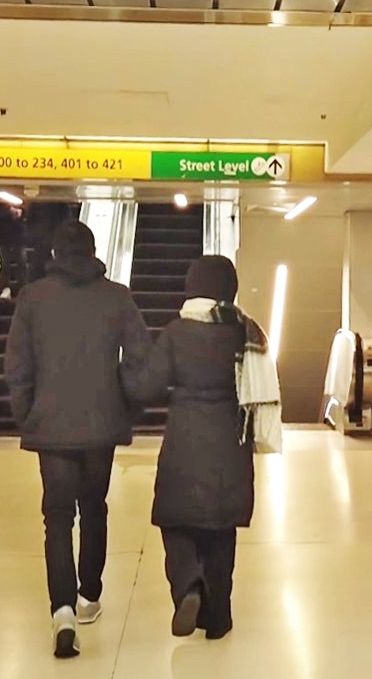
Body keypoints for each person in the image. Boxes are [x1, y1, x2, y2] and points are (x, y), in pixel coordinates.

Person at [4, 221, 151, 659]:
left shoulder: (33, 298)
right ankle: (89, 596)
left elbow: (17, 365)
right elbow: (141, 360)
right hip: (101, 424)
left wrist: (27, 415)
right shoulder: (117, 296)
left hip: (50, 425)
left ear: (54, 254)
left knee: (57, 516)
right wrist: (126, 408)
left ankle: (63, 611)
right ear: (93, 251)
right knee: (94, 508)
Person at [126, 255, 260, 640]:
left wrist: (123, 372)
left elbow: (147, 387)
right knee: (221, 531)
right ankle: (218, 618)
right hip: (231, 446)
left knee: (177, 521)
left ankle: (188, 584)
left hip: (185, 444)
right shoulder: (247, 333)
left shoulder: (177, 333)